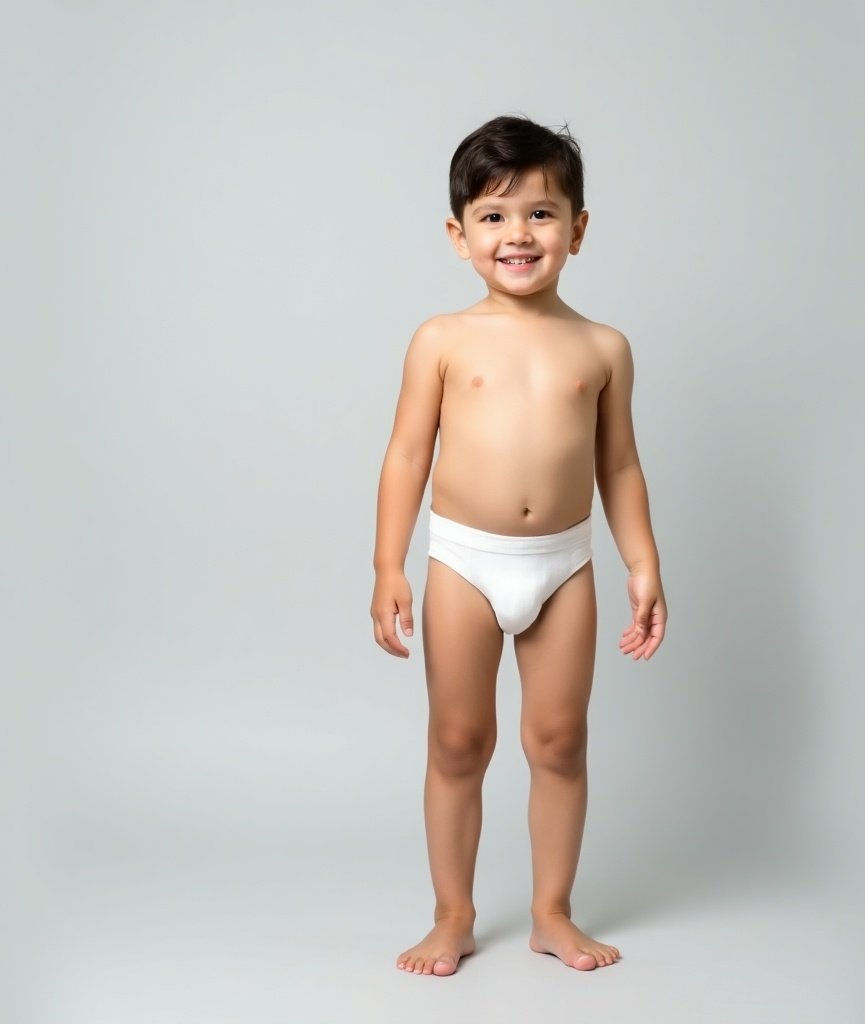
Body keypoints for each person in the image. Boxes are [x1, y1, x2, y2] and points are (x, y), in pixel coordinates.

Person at [370, 114, 667, 976]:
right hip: (464, 559)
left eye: (541, 214)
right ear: (458, 236)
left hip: (564, 565)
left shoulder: (603, 347)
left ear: (577, 229)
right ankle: (452, 914)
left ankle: (551, 912)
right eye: (494, 217)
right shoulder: (442, 339)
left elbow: (619, 466)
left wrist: (642, 563)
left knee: (559, 741)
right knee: (458, 741)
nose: (519, 235)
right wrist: (388, 562)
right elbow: (405, 456)